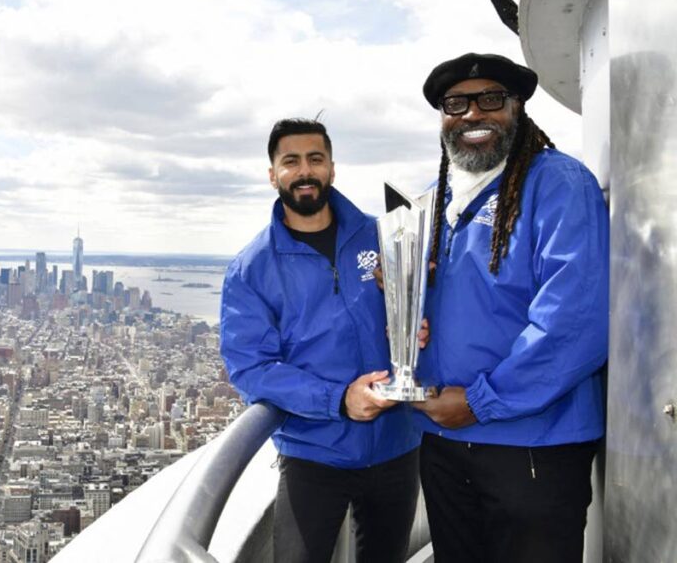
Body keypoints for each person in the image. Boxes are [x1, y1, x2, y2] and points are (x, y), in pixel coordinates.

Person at [412, 53, 608, 563]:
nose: (472, 114)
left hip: (532, 446)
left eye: (490, 99)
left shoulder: (559, 183)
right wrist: (408, 309)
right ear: (442, 118)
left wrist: (482, 401)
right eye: (457, 103)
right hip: (445, 441)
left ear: (516, 107)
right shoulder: (434, 201)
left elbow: (575, 322)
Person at [220, 118, 421, 563]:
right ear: (272, 174)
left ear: (332, 168)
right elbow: (251, 368)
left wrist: (419, 324)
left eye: (316, 159)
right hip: (314, 453)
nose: (305, 170)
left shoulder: (385, 235)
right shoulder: (251, 268)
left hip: (397, 447)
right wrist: (339, 399)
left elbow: (424, 311)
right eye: (290, 161)